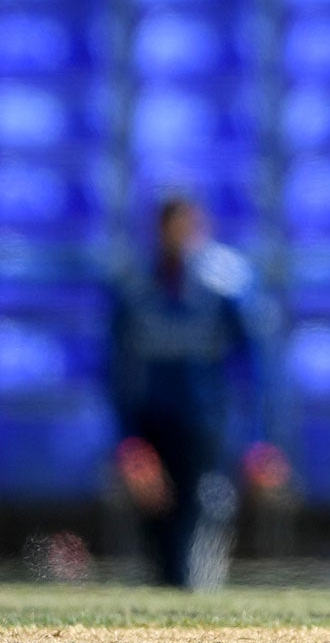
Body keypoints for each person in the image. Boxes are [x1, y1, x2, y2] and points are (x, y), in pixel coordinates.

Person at [109, 197, 282, 589]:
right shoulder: (135, 283)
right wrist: (127, 442)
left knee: (201, 516)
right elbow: (114, 367)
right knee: (157, 530)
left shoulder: (226, 281)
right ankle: (164, 616)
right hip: (151, 421)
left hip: (205, 424)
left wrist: (260, 440)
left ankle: (198, 603)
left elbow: (257, 367)